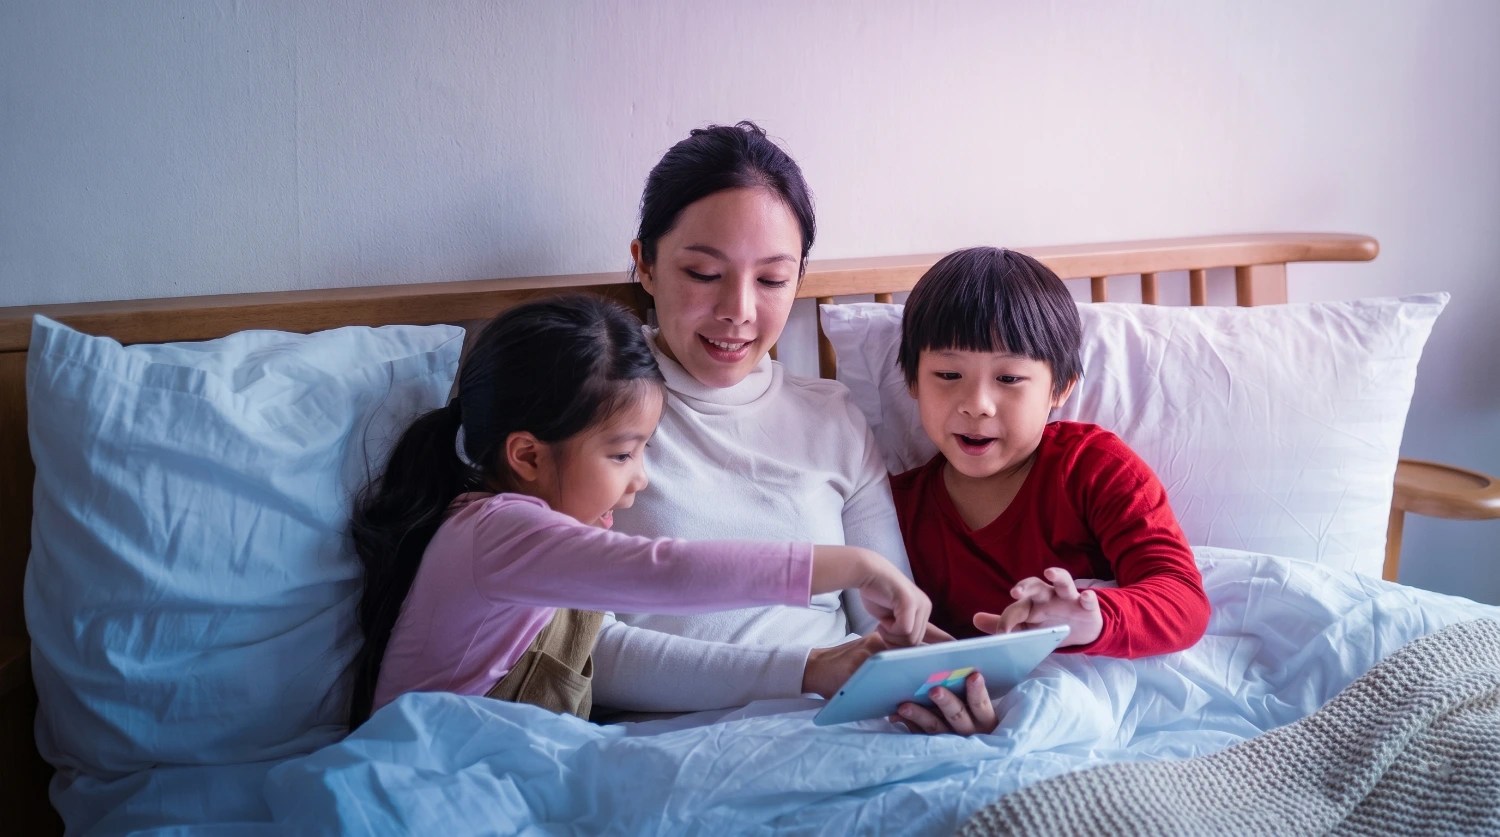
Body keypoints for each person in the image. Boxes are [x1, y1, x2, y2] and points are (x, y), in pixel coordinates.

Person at [345, 294, 931, 727]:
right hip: (431, 770)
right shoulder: (501, 532)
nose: (639, 480)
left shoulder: (522, 537)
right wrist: (853, 565)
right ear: (526, 455)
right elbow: (667, 571)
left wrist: (816, 666)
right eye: (623, 454)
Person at [590, 121, 927, 714]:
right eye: (703, 274)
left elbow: (893, 623)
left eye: (771, 279)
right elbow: (584, 657)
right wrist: (806, 671)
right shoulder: (588, 414)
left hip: (841, 721)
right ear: (644, 263)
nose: (738, 312)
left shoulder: (832, 418)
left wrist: (938, 683)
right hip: (670, 742)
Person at [889, 247, 1211, 735]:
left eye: (1010, 379)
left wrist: (1088, 619)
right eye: (948, 375)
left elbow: (1183, 601)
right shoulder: (893, 507)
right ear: (913, 380)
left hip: (1103, 694)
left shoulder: (1092, 466)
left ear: (1060, 388)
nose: (976, 405)